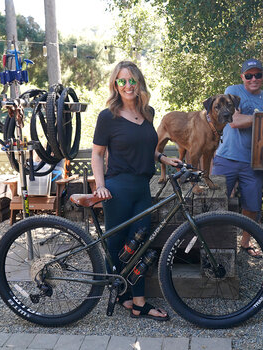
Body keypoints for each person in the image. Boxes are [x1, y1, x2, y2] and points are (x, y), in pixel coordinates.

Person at [91, 61, 181, 321]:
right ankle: (125, 296)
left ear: (139, 82)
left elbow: (145, 147)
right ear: (115, 85)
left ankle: (136, 301)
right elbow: (97, 154)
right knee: (117, 245)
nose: (128, 86)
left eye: (132, 80)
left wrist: (163, 159)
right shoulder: (107, 116)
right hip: (117, 189)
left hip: (143, 187)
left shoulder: (148, 112)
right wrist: (100, 185)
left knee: (140, 244)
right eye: (122, 81)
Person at [212, 58, 263, 258]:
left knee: (252, 206)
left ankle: (245, 243)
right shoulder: (232, 91)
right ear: (242, 76)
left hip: (255, 161)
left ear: (262, 76)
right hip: (226, 157)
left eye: (258, 75)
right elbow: (234, 121)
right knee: (215, 201)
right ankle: (214, 244)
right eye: (249, 75)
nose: (254, 79)